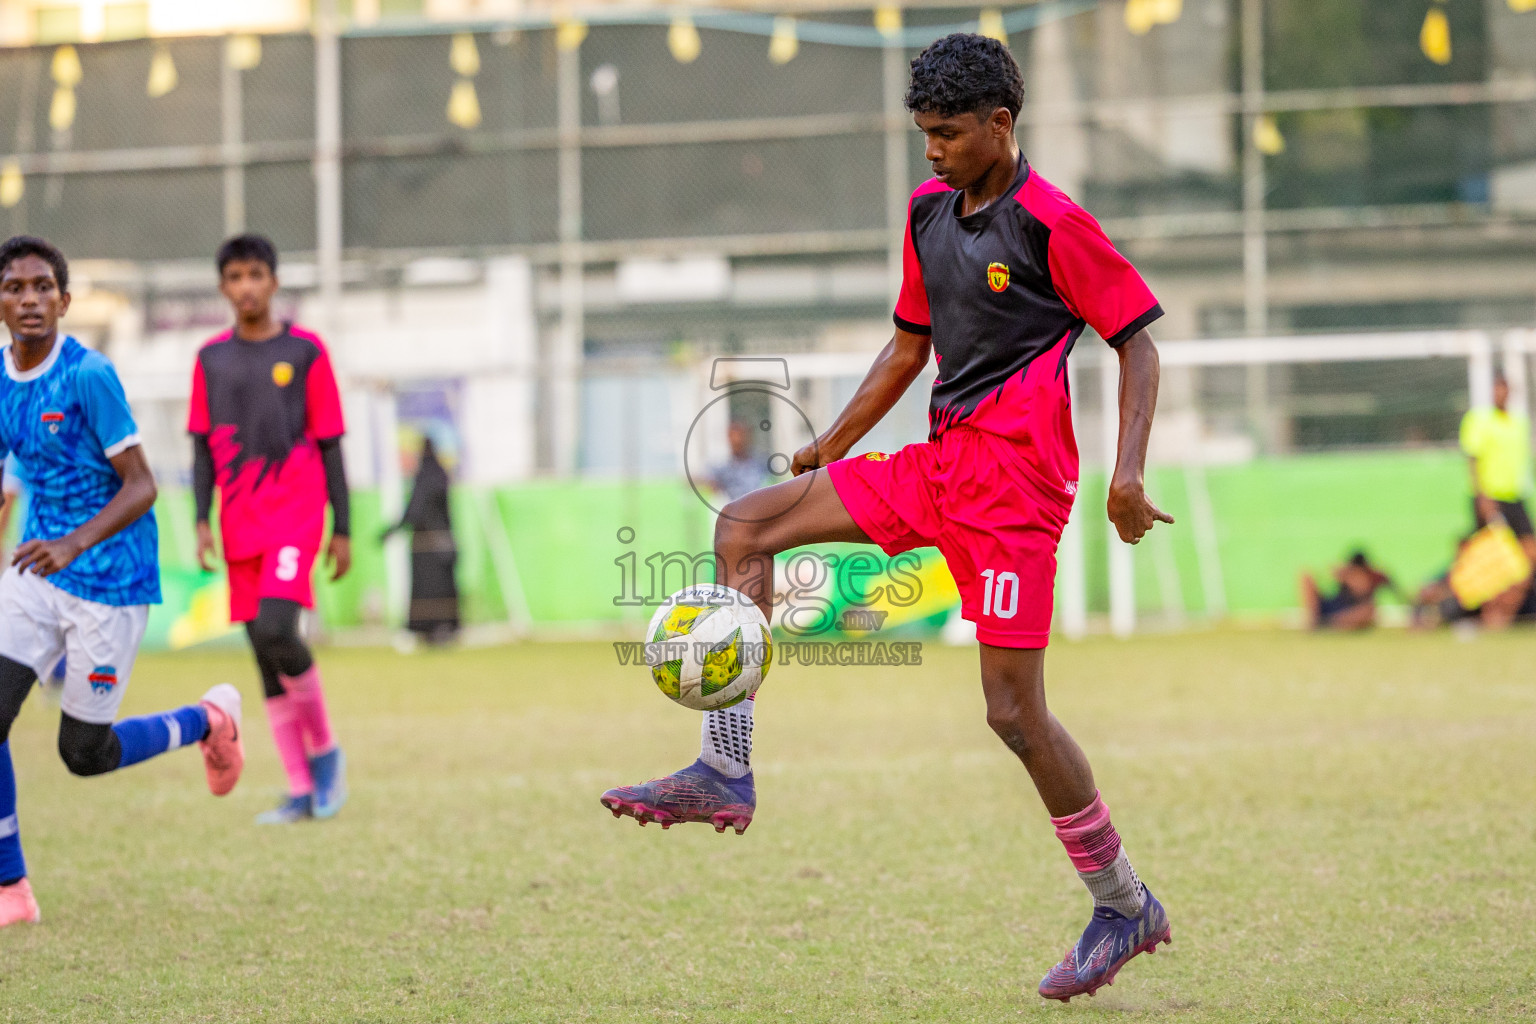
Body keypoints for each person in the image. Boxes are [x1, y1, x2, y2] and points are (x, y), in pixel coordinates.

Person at [599, 36, 1173, 1001]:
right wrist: (834, 439)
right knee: (743, 525)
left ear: (1002, 123)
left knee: (1012, 714)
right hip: (942, 464)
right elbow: (909, 347)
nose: (932, 152)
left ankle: (1122, 903)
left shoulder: (1055, 224)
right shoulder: (926, 214)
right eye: (923, 135)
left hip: (1017, 494)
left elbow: (1138, 344)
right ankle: (725, 768)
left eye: (948, 134)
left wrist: (1127, 474)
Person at [0, 236, 244, 929]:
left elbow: (142, 486)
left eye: (44, 287)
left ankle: (208, 720)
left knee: (84, 755)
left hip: (107, 577)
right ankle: (10, 888)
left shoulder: (89, 376)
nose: (30, 299)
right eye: (16, 287)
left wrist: (73, 544)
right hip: (34, 573)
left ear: (65, 302)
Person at [190, 234, 351, 826]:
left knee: (278, 626)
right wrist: (200, 521)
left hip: (296, 513)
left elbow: (331, 441)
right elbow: (203, 448)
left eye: (257, 274)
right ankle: (300, 789)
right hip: (238, 520)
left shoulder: (306, 351)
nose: (247, 287)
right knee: (261, 651)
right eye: (235, 277)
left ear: (274, 282)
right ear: (223, 287)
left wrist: (344, 527)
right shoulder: (210, 358)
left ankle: (327, 752)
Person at [381, 437, 460, 645]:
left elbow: (414, 510)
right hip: (443, 541)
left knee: (428, 588)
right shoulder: (441, 474)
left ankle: (431, 628)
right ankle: (443, 627)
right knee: (441, 587)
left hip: (427, 545)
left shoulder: (424, 476)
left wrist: (392, 530)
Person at [1460, 374, 1534, 560]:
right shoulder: (1479, 420)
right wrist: (1482, 496)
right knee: (1488, 551)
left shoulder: (1518, 422)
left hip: (1514, 495)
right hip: (1490, 496)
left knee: (1528, 548)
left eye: (1504, 388)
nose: (1500, 393)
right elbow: (1473, 459)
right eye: (1496, 388)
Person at [1299, 550, 1395, 630]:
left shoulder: (1375, 576)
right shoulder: (1344, 572)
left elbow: (1364, 592)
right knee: (1305, 576)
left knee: (1368, 612)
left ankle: (1327, 624)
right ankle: (1316, 622)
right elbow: (1321, 574)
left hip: (1349, 613)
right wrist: (1341, 574)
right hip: (1332, 606)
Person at [706, 420, 769, 500]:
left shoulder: (762, 465)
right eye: (733, 436)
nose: (737, 440)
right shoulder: (721, 467)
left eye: (741, 435)